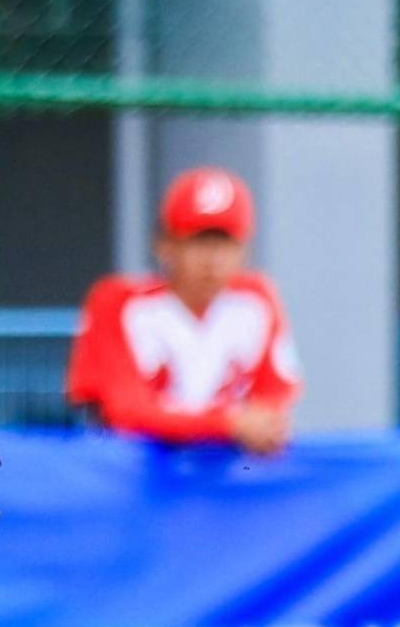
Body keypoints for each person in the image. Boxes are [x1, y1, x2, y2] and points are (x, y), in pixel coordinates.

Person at [65, 168, 301, 455]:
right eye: (198, 241)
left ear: (244, 250)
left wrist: (252, 426)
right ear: (164, 245)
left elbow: (270, 407)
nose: (212, 259)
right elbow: (126, 414)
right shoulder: (116, 302)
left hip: (222, 481)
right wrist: (228, 424)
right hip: (135, 484)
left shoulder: (256, 301)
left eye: (224, 242)